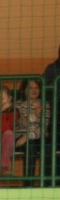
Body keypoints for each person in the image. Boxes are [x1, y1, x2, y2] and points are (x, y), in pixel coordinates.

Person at [15, 78, 50, 182]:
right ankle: (28, 184)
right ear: (24, 90)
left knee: (46, 146)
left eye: (37, 88)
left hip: (38, 136)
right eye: (30, 88)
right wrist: (35, 116)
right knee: (30, 145)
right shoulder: (18, 105)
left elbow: (44, 125)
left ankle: (46, 183)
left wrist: (29, 135)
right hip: (21, 138)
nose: (34, 90)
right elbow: (21, 124)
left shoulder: (45, 104)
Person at [42, 43, 60, 182]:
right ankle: (50, 181)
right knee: (52, 148)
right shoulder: (52, 69)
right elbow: (44, 90)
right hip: (55, 115)